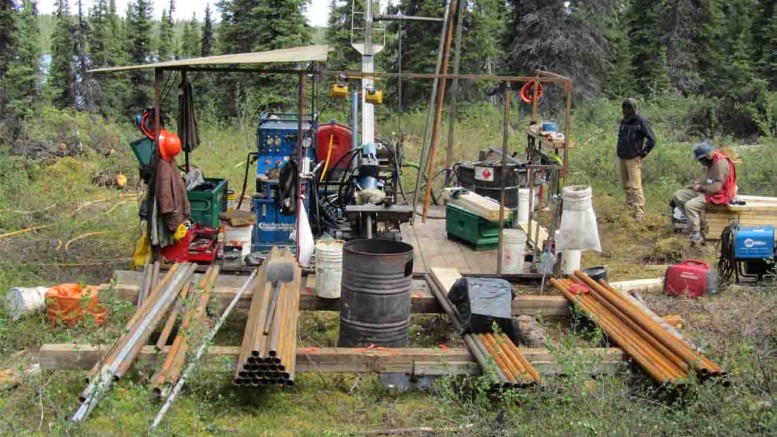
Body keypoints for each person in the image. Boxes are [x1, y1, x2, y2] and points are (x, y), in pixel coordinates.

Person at [672, 141, 737, 245]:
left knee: (690, 206)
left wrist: (700, 188)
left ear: (707, 156)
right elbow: (708, 180)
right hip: (707, 191)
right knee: (678, 195)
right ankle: (692, 223)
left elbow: (716, 188)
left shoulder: (720, 164)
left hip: (719, 195)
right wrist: (697, 185)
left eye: (701, 159)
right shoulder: (710, 163)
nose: (700, 162)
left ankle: (696, 234)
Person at [617, 98, 657, 222]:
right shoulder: (624, 121)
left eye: (626, 108)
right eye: (623, 108)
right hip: (623, 156)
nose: (623, 110)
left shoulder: (640, 122)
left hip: (633, 158)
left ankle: (639, 211)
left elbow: (652, 139)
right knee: (626, 184)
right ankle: (629, 206)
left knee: (635, 186)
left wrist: (642, 154)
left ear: (631, 109)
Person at [154, 130, 190, 247]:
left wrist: (166, 210)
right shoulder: (169, 163)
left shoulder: (164, 166)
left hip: (172, 211)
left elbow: (164, 193)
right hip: (176, 209)